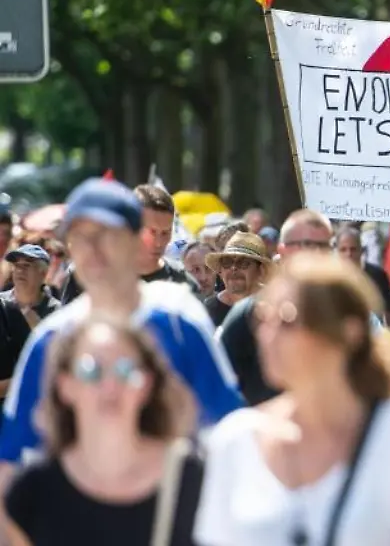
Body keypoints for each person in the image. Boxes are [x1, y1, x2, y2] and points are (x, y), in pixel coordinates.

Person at [0, 179, 242, 523]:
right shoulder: (52, 339)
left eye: (106, 235)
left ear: (133, 240)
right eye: (81, 237)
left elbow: (227, 432)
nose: (93, 249)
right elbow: (11, 460)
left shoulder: (179, 322)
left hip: (172, 521)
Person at [194, 253, 390, 546]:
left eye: (287, 319)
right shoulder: (235, 440)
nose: (267, 335)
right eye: (263, 318)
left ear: (348, 333)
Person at [3, 317, 204, 545]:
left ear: (147, 384)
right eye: (91, 370)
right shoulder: (31, 492)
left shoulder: (193, 479)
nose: (110, 386)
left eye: (125, 370)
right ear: (66, 385)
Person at [216, 209, 385, 405]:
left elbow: (379, 375)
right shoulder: (249, 315)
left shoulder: (355, 313)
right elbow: (215, 382)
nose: (315, 253)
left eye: (322, 245)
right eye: (305, 244)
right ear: (282, 251)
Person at [60, 184, 200, 304]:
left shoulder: (183, 281)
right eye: (152, 232)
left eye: (165, 232)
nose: (159, 242)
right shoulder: (89, 273)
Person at [0, 245, 60, 402]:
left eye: (27, 265)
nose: (20, 270)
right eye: (16, 265)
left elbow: (56, 367)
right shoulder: (1, 304)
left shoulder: (57, 314)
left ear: (43, 273)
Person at [334, 227, 390, 334]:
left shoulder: (376, 275)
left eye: (353, 249)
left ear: (361, 250)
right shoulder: (329, 276)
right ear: (337, 251)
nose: (349, 254)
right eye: (343, 250)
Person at [203, 233, 271, 327]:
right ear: (220, 271)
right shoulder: (209, 310)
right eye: (227, 262)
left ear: (260, 270)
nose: (233, 268)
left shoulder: (276, 305)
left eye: (243, 262)